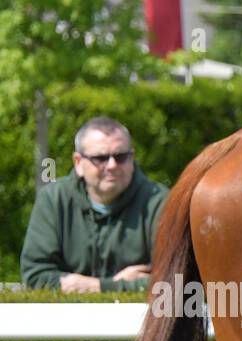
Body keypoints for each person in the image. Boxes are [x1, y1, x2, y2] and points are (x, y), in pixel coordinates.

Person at [20, 116, 169, 293]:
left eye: (121, 157)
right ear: (78, 163)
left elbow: (174, 280)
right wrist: (115, 284)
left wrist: (97, 286)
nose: (112, 165)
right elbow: (35, 275)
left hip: (139, 317)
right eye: (100, 158)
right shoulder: (53, 200)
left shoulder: (160, 202)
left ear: (132, 157)